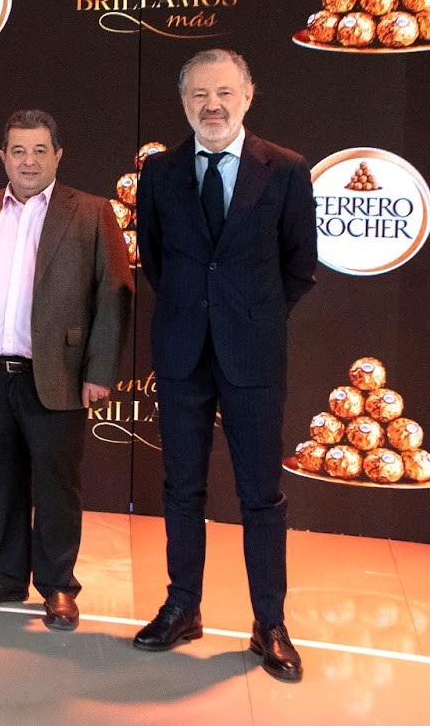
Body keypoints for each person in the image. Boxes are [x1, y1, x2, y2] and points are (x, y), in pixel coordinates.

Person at [133, 49, 317, 682]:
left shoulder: (286, 170)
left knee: (261, 495)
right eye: (199, 95)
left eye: (224, 94)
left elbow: (299, 266)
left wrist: (251, 316)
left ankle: (270, 623)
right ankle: (183, 607)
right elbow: (156, 259)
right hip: (182, 351)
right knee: (181, 487)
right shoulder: (159, 172)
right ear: (184, 102)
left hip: (254, 356)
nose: (212, 106)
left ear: (248, 95)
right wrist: (200, 311)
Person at [0, 109, 132, 631]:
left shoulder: (90, 212)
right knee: (2, 482)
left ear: (58, 155)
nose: (29, 161)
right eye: (19, 151)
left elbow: (114, 295)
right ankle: (5, 575)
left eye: (40, 150)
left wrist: (99, 371)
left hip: (57, 374)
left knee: (56, 486)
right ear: (3, 156)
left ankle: (57, 585)